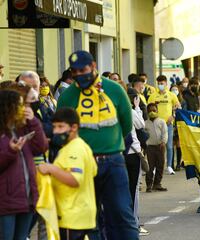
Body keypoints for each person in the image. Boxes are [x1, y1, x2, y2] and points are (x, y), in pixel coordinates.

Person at [57, 50, 138, 239]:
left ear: (93, 66)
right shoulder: (67, 96)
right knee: (88, 218)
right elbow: (60, 130)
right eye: (74, 71)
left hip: (113, 162)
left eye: (82, 69)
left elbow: (126, 124)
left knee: (121, 213)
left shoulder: (114, 89)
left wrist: (111, 144)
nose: (79, 74)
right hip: (82, 164)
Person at [38, 108, 97, 239]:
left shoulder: (74, 149)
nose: (56, 131)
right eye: (54, 127)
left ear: (74, 127)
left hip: (71, 215)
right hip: (80, 214)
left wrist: (51, 169)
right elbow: (93, 171)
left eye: (60, 127)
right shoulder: (82, 146)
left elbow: (75, 180)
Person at [0, 89, 48, 240]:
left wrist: (34, 122)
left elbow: (41, 147)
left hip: (26, 198)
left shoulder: (22, 129)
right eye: (20, 105)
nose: (24, 109)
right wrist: (10, 151)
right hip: (6, 201)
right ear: (8, 108)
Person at [124, 88, 149, 236]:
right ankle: (134, 222)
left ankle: (127, 221)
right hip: (132, 154)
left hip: (120, 153)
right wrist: (137, 107)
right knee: (133, 190)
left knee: (123, 189)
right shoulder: (130, 111)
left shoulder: (114, 110)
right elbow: (141, 125)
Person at [148, 75, 180, 175]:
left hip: (168, 124)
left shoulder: (171, 95)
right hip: (156, 124)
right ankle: (154, 167)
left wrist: (173, 116)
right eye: (159, 83)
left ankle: (169, 166)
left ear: (166, 83)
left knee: (169, 146)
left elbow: (178, 107)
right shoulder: (153, 95)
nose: (160, 85)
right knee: (156, 146)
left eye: (162, 83)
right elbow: (149, 108)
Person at [145, 103, 168, 192]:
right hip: (150, 147)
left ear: (157, 110)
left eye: (154, 110)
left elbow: (165, 132)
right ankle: (149, 185)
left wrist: (163, 142)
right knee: (150, 167)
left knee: (160, 165)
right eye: (150, 111)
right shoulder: (145, 123)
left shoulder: (161, 121)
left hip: (160, 147)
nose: (152, 112)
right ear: (147, 112)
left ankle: (157, 184)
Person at [170, 84, 185, 171]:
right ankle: (171, 164)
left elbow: (184, 112)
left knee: (179, 145)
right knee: (171, 145)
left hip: (179, 124)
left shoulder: (182, 101)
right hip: (171, 124)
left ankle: (178, 163)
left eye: (176, 89)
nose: (174, 91)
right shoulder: (169, 100)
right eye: (173, 89)